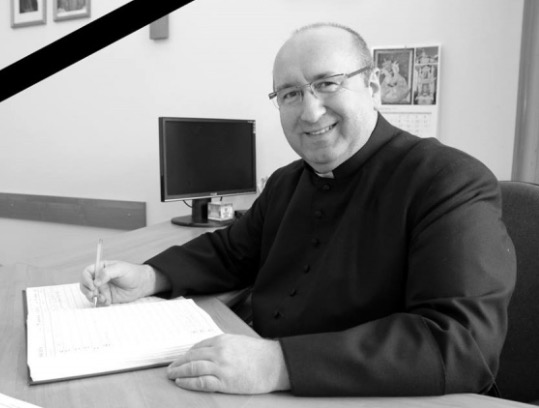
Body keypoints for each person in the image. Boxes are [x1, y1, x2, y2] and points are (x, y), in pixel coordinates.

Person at [81, 22, 515, 397]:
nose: (310, 111)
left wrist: (277, 363)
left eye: (328, 84)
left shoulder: (447, 179)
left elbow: (462, 344)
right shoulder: (287, 181)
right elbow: (232, 252)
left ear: (373, 87)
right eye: (290, 93)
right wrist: (149, 276)